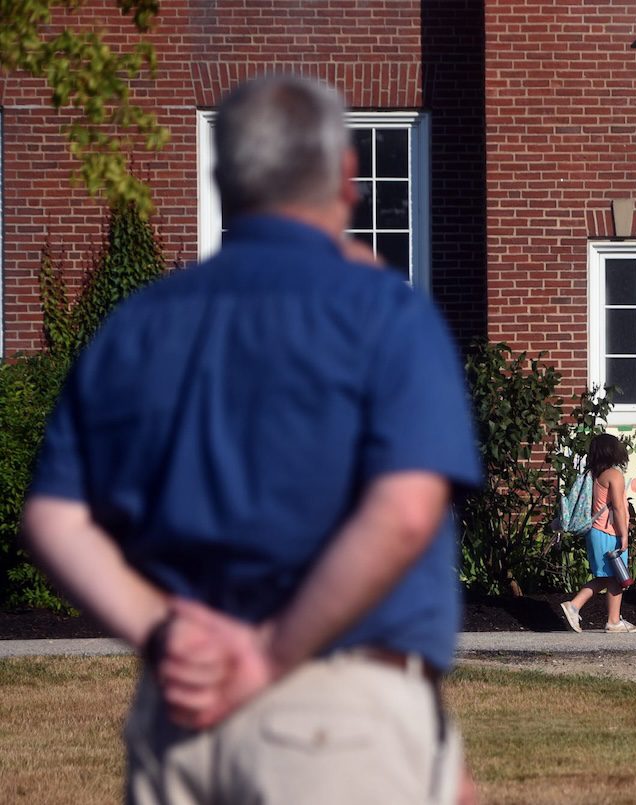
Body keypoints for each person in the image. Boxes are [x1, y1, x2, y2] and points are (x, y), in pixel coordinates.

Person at [21, 75, 482, 804]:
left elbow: (53, 516)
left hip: (177, 721)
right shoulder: (386, 317)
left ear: (221, 179)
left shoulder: (135, 326)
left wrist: (164, 631)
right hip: (334, 716)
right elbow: (404, 509)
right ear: (345, 175)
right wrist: (267, 654)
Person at [558, 434, 636, 634]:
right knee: (609, 577)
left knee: (614, 578)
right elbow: (620, 508)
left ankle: (613, 621)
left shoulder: (595, 474)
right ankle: (574, 605)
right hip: (609, 533)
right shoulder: (614, 474)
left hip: (597, 532)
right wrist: (624, 535)